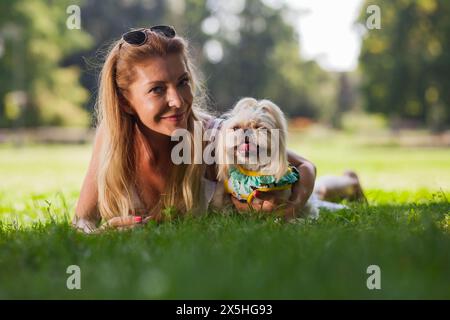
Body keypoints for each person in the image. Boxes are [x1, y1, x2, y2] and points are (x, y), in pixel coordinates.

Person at [72, 25, 317, 233]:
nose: (178, 101)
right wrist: (99, 235)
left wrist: (290, 209)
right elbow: (82, 220)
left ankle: (344, 183)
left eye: (183, 82)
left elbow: (305, 166)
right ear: (125, 101)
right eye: (157, 89)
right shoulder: (112, 137)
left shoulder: (214, 136)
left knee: (322, 192)